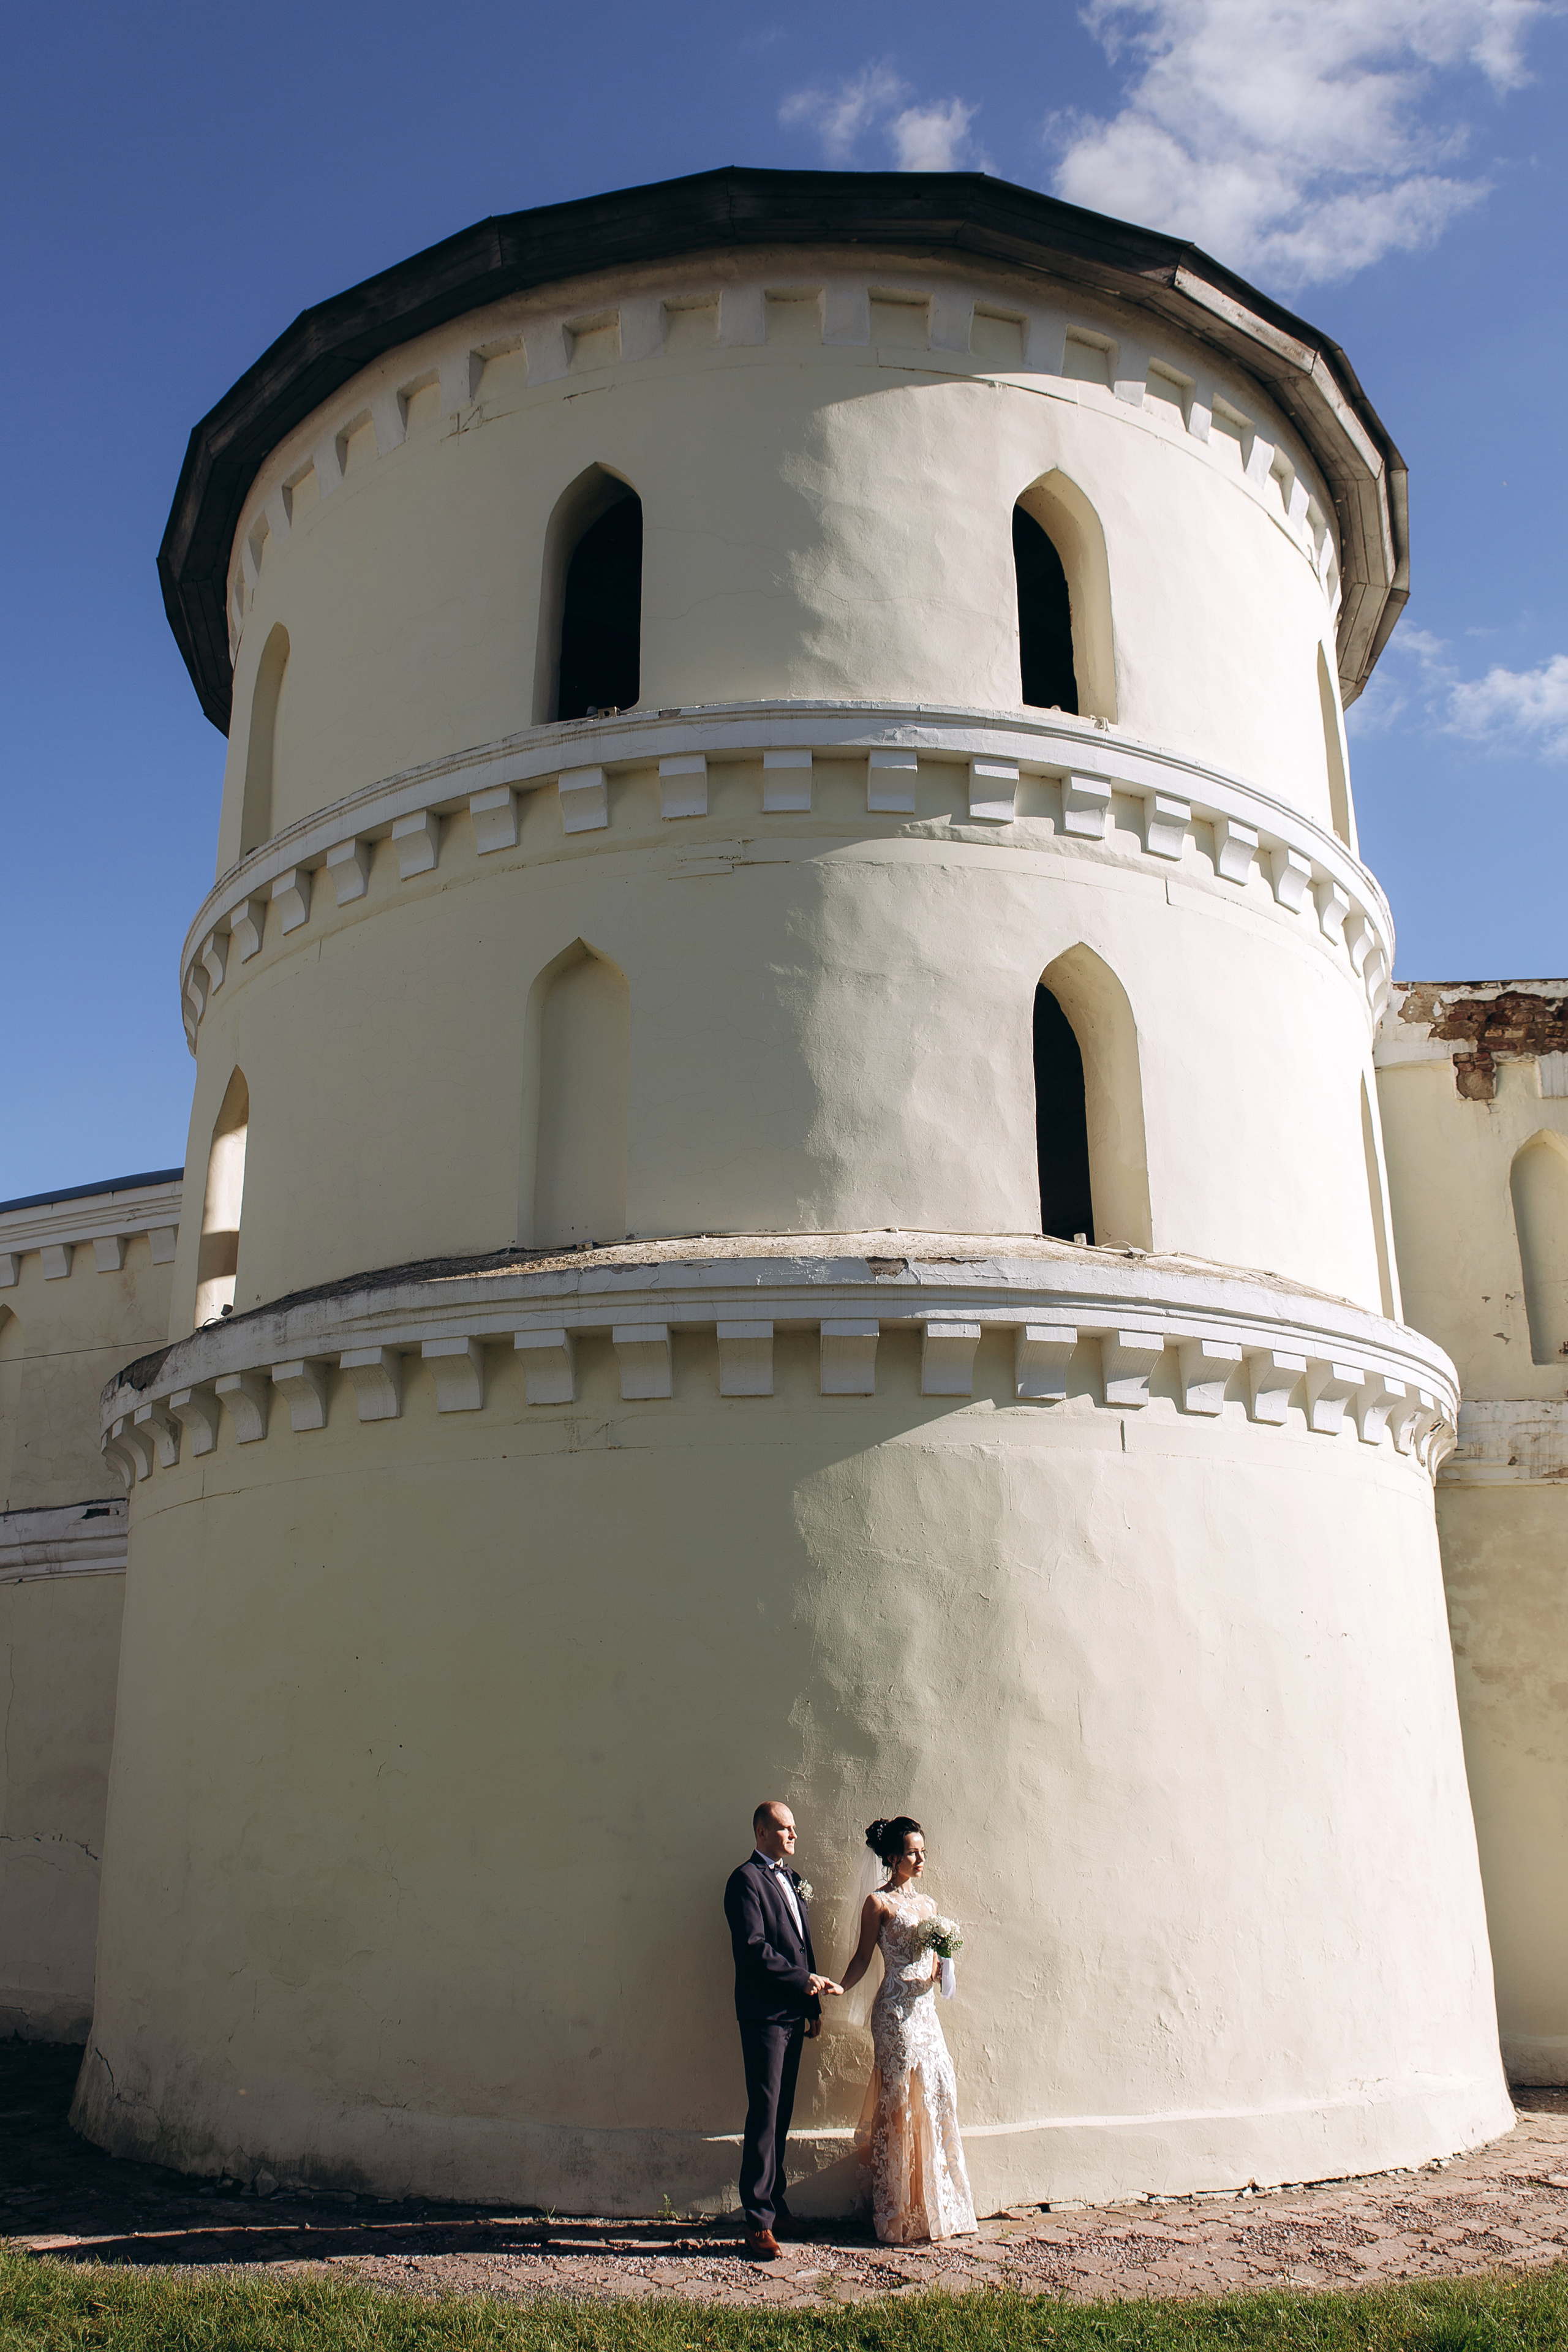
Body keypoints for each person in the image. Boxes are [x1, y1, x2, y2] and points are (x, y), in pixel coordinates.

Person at [839, 1815, 978, 2245]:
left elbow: (932, 1959)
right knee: (901, 2098)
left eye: (924, 1852)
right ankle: (899, 2209)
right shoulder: (878, 1904)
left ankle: (937, 2204)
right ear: (893, 1858)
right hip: (895, 2013)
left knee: (936, 2091)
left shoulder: (930, 1906)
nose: (921, 1859)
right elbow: (864, 1957)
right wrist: (840, 1987)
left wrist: (939, 1968)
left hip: (926, 2012)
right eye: (913, 1852)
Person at [723, 1801, 842, 2260]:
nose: (794, 1835)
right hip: (765, 2017)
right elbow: (752, 1948)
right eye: (784, 1828)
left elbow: (801, 1948)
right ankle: (756, 2221)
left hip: (793, 2014)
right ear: (761, 1832)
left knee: (783, 2112)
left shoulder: (792, 1880)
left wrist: (810, 2005)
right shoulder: (745, 1881)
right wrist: (802, 1981)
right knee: (765, 2112)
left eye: (794, 1828)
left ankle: (776, 2203)